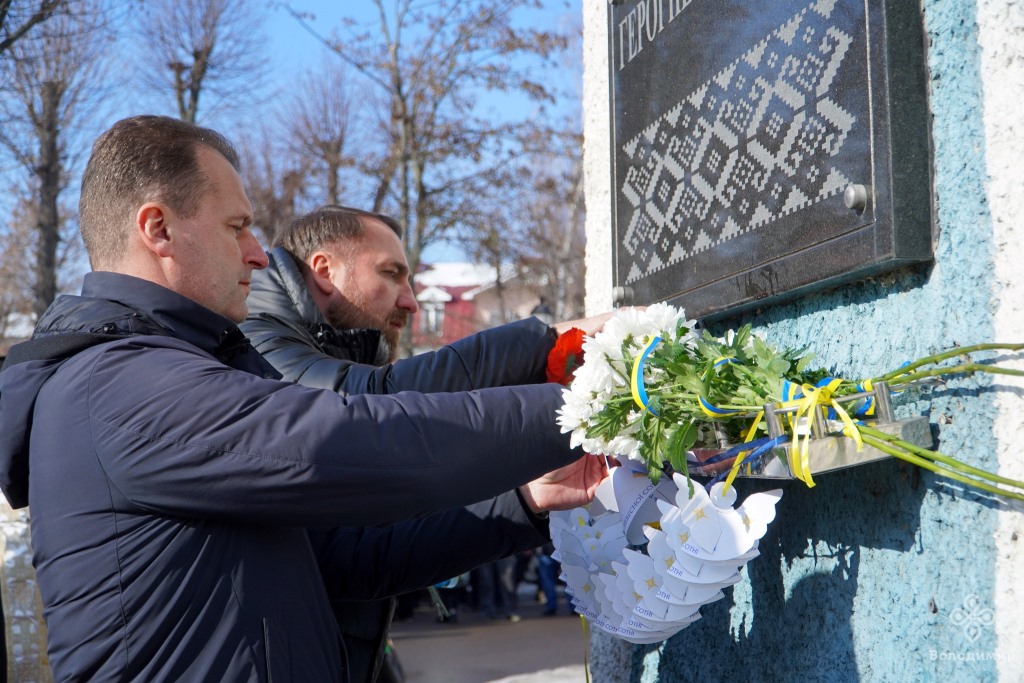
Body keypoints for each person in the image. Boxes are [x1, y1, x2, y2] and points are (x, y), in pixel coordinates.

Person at [0, 115, 606, 682]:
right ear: (158, 228)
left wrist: (526, 501)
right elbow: (354, 441)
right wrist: (595, 403)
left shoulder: (164, 368)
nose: (259, 253)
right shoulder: (118, 384)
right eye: (236, 227)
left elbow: (345, 556)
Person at [241, 204, 613, 681]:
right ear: (324, 270)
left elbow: (358, 555)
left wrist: (524, 501)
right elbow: (376, 405)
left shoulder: (309, 349)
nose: (411, 302)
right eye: (391, 274)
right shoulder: (255, 343)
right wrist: (552, 344)